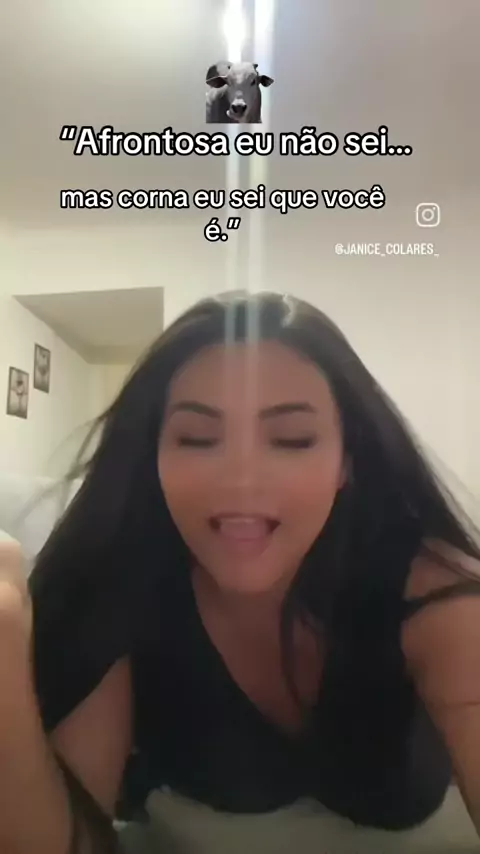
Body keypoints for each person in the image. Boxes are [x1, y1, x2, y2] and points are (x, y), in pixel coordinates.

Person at [1, 290, 480, 854]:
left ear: (346, 462)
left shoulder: (434, 593)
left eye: (291, 439)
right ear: (153, 457)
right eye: (197, 438)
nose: (241, 479)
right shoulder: (126, 583)